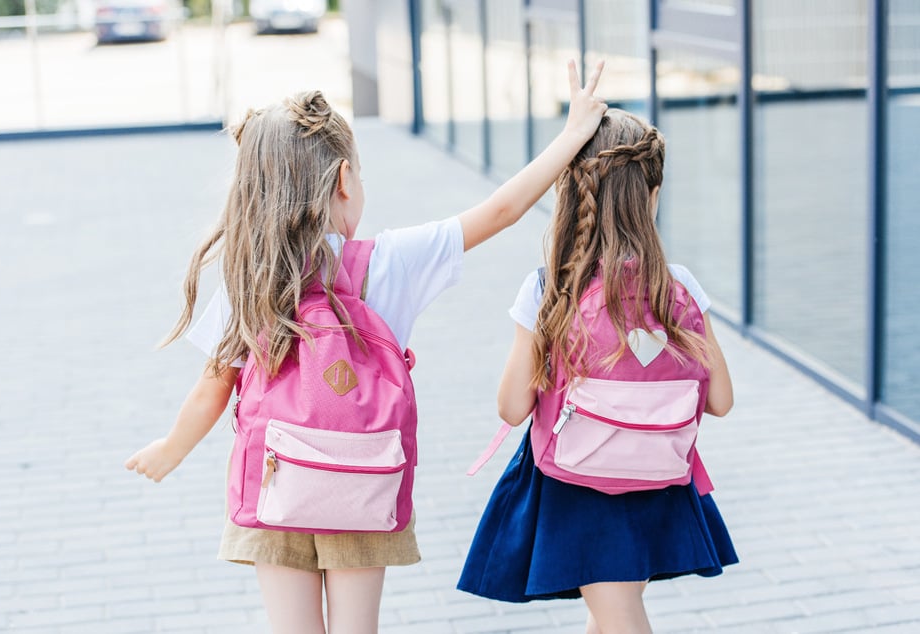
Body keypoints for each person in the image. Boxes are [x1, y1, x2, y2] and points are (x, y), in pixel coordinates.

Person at [124, 60, 608, 634]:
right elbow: (502, 210)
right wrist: (573, 133)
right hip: (364, 481)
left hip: (276, 489)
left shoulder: (253, 278)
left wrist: (170, 449)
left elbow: (212, 389)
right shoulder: (390, 263)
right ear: (345, 180)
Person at [457, 108, 738, 634]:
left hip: (577, 483)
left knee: (617, 620)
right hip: (658, 476)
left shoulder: (548, 290)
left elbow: (512, 407)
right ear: (652, 198)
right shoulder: (677, 287)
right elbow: (720, 399)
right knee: (611, 614)